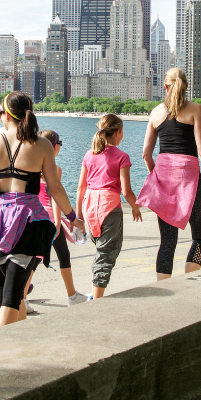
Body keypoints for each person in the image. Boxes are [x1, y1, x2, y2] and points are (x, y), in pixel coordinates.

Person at [0, 91, 82, 327]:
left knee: (11, 292)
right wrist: (72, 217)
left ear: (6, 116)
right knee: (12, 295)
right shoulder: (41, 145)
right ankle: (0, 350)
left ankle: (17, 343)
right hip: (28, 223)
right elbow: (55, 187)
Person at [138, 69, 201, 279]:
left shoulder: (155, 113)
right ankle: (189, 282)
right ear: (186, 86)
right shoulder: (196, 110)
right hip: (190, 179)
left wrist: (156, 177)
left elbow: (146, 155)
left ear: (165, 87)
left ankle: (162, 285)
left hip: (164, 179)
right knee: (200, 236)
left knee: (167, 241)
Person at [76, 115, 142, 299]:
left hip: (90, 204)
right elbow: (126, 191)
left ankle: (96, 290)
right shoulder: (122, 157)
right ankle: (96, 297)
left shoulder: (90, 154)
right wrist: (135, 207)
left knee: (102, 248)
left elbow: (81, 187)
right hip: (109, 205)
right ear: (118, 132)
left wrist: (78, 217)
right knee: (107, 252)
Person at [37, 130, 87, 306]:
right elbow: (55, 196)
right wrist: (58, 222)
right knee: (63, 256)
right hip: (51, 219)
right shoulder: (55, 169)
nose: (60, 147)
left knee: (34, 259)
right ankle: (72, 296)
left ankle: (22, 299)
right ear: (54, 146)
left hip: (35, 217)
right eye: (60, 144)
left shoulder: (34, 167)